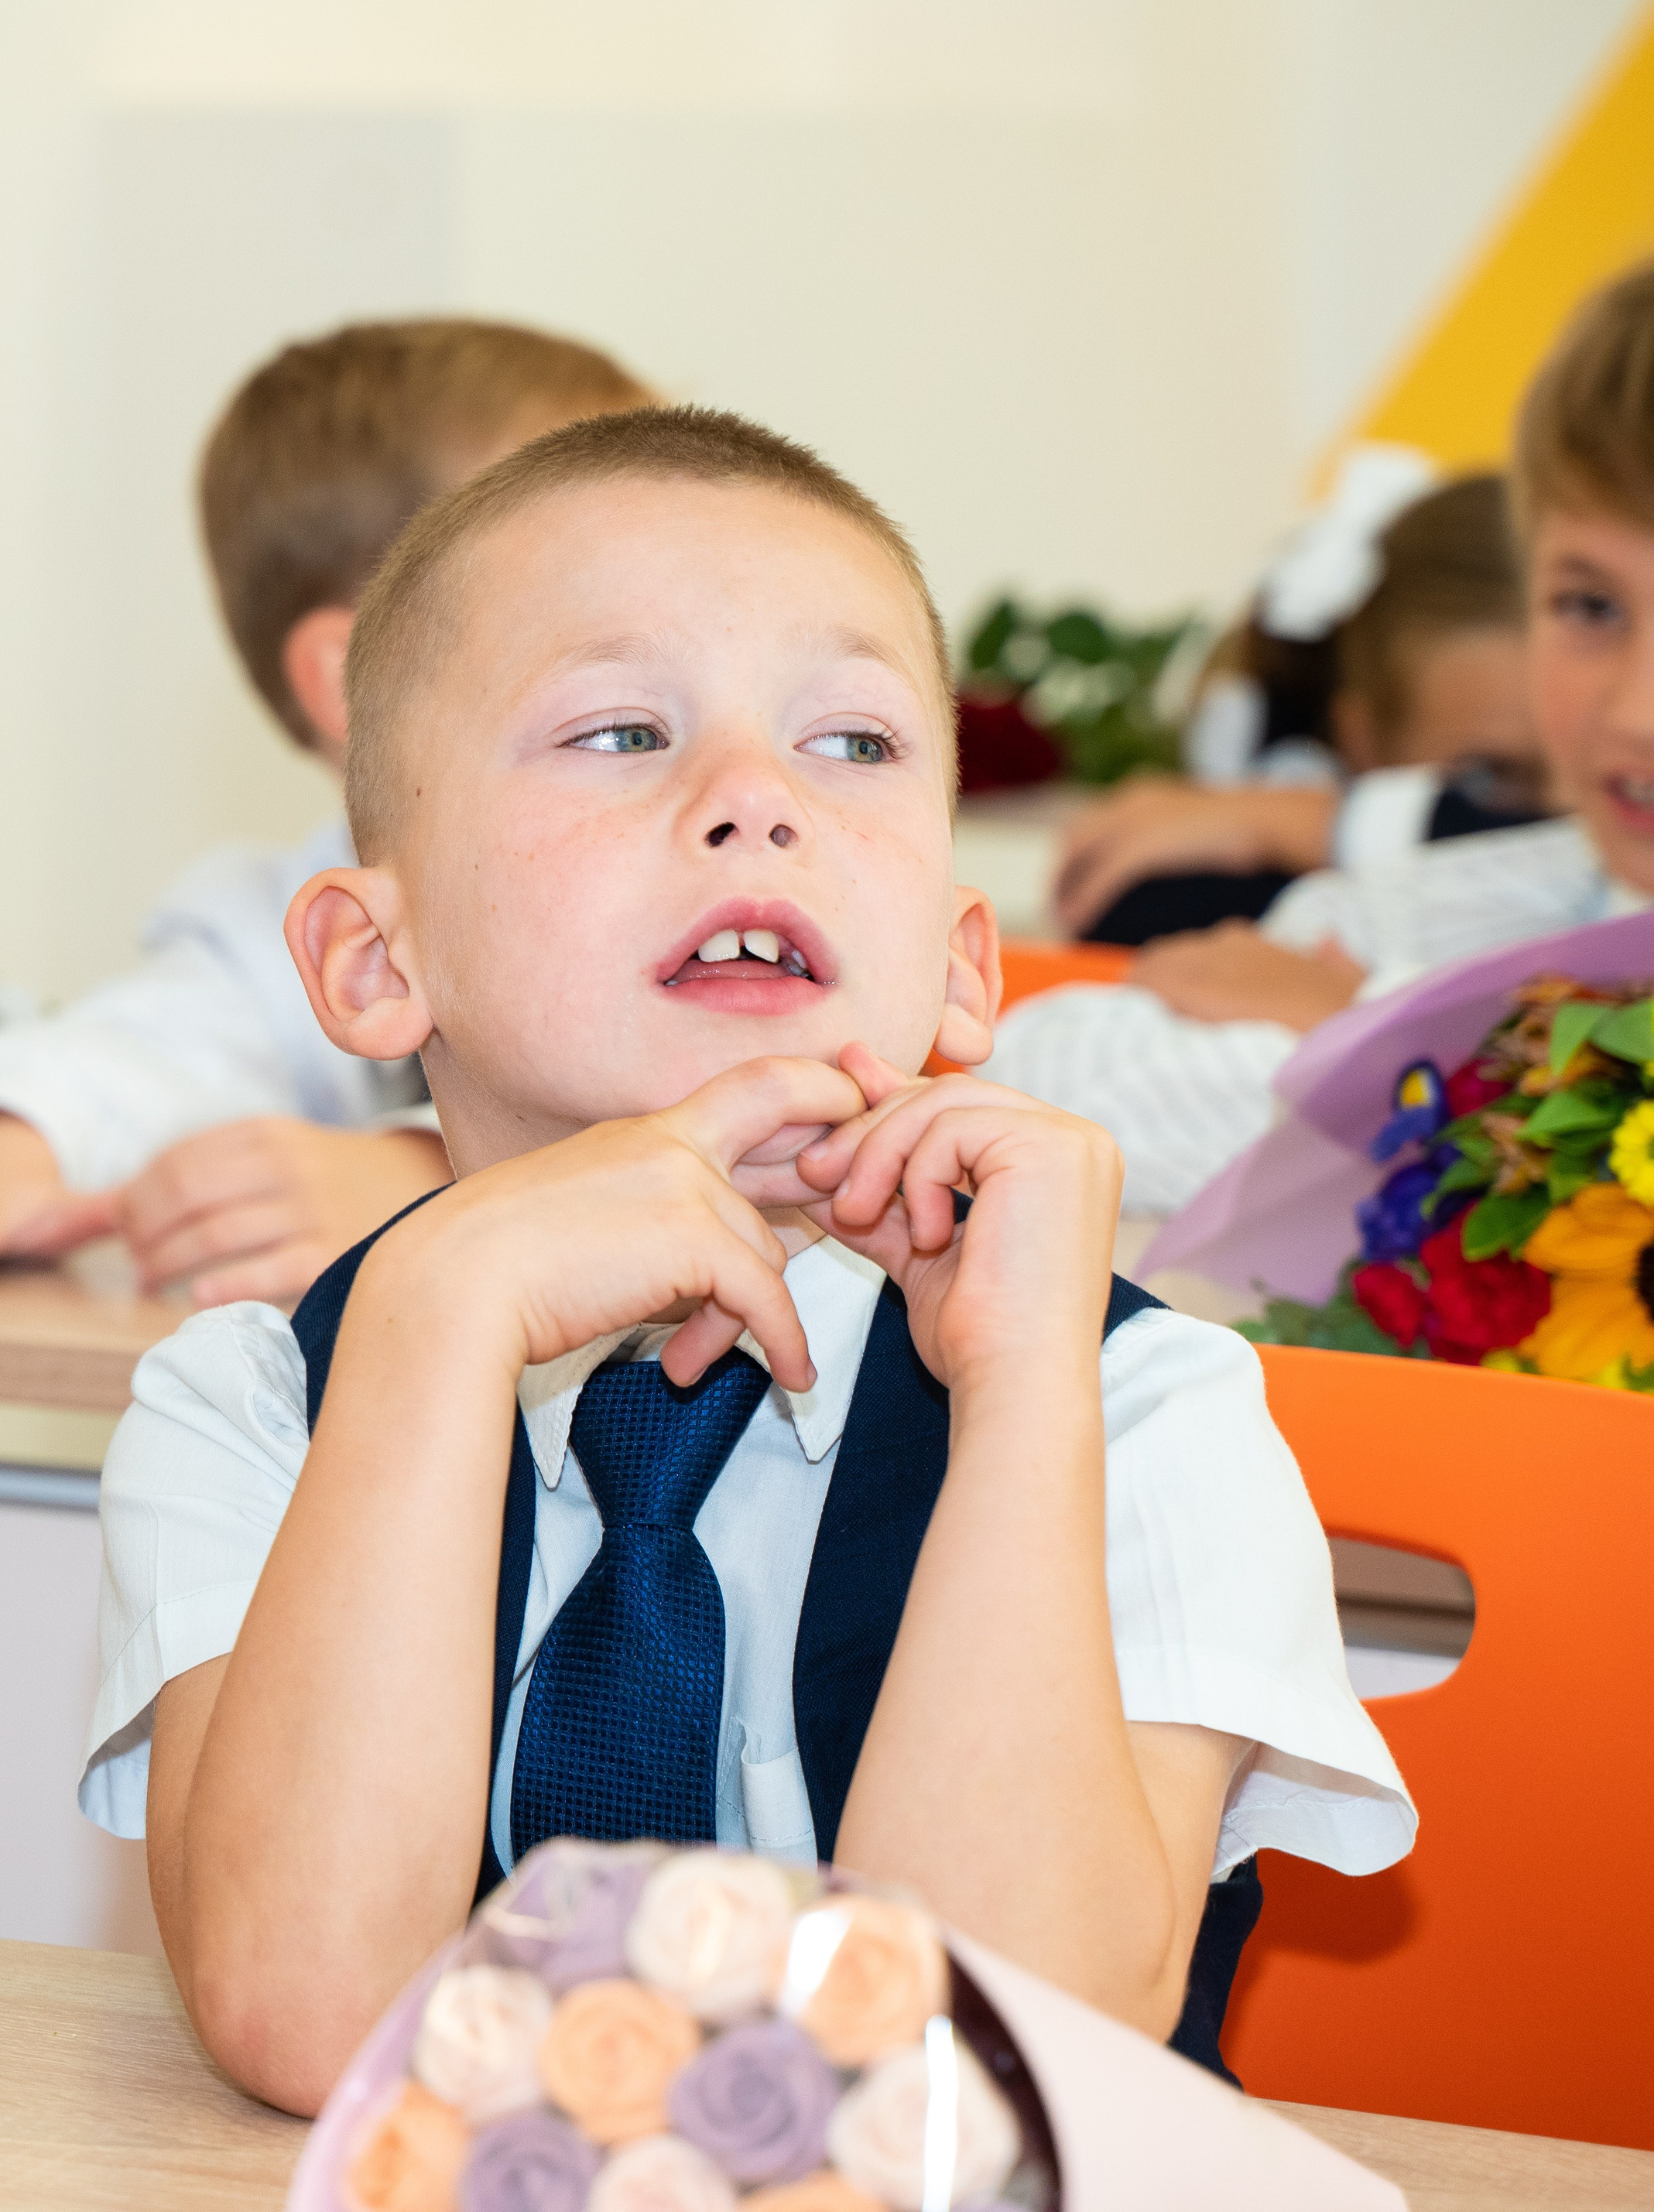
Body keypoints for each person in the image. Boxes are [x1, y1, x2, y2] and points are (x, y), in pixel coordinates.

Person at [79, 405, 1412, 2116]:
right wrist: (444, 1309)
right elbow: (314, 2016)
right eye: (622, 730)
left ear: (963, 971)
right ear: (370, 964)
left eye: (851, 741)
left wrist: (1019, 1403)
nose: (755, 803)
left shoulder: (1138, 1405)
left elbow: (993, 2053)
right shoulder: (261, 1404)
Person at [0, 319, 653, 1306]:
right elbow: (146, 1048)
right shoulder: (289, 920)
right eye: (604, 589)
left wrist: (429, 1175)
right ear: (359, 680)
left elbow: (732, 1109)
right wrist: (10, 1151)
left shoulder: (728, 881)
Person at [995, 258, 1654, 1215]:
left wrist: (1379, 1035)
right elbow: (1046, 1082)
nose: (1636, 711)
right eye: (1588, 605)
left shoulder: (1386, 973)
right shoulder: (1461, 903)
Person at [1053, 466, 1546, 943]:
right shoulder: (1296, 895)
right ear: (1363, 743)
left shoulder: (1308, 827)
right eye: (1489, 775)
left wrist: (1331, 828)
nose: (1566, 809)